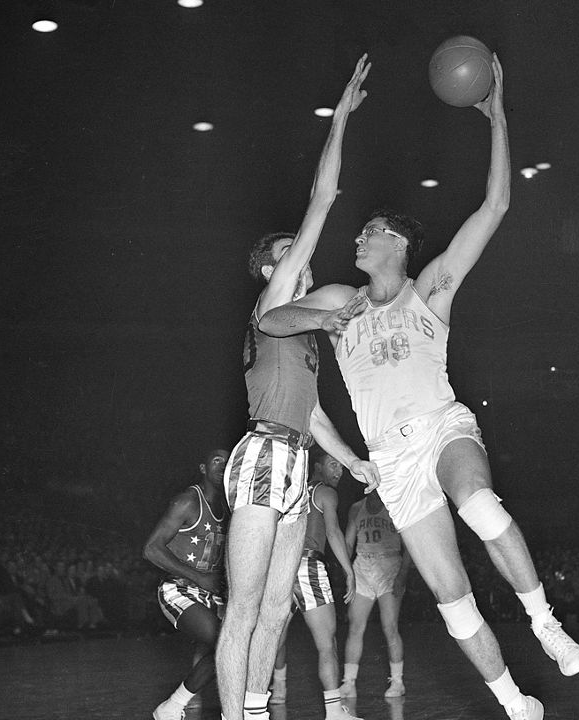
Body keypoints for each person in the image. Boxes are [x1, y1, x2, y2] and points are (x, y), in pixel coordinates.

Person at [258, 54, 579, 720]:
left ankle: (544, 622)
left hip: (443, 426)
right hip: (393, 461)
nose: (358, 236)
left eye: (369, 232)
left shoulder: (430, 290)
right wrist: (328, 315)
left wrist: (498, 119)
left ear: (398, 245)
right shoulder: (339, 296)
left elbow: (496, 204)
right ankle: (514, 702)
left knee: (479, 502)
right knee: (450, 596)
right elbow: (272, 318)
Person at [215, 55, 381, 720]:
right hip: (260, 458)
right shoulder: (274, 304)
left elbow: (312, 417)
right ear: (267, 269)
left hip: (297, 464)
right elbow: (322, 199)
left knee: (279, 607)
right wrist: (339, 119)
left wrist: (353, 461)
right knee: (247, 605)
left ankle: (255, 709)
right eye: (287, 249)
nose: (301, 253)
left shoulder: (305, 335)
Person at [268, 450, 360, 719]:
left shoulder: (290, 491)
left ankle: (278, 691)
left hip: (279, 566)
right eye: (334, 464)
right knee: (326, 643)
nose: (339, 471)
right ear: (317, 466)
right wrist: (348, 570)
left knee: (275, 637)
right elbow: (332, 532)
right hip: (307, 565)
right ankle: (334, 712)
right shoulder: (325, 492)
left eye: (341, 467)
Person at [144, 449, 231, 720]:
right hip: (177, 587)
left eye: (228, 462)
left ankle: (174, 708)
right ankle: (173, 705)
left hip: (211, 592)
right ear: (203, 468)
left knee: (231, 646)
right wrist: (199, 577)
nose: (223, 466)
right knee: (226, 643)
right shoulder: (187, 501)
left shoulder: (230, 506)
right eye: (216, 460)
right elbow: (151, 549)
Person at [338, 489, 411, 698]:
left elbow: (409, 546)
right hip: (362, 566)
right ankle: (348, 682)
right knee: (355, 627)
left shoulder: (394, 506)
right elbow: (349, 543)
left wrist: (402, 576)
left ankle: (397, 682)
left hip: (390, 566)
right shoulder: (356, 508)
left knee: (390, 626)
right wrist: (348, 572)